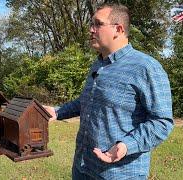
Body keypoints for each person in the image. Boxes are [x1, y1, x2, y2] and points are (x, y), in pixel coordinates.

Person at [44, 3, 173, 179]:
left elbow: (162, 122)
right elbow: (86, 102)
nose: (91, 29)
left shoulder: (146, 67)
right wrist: (57, 112)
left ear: (118, 29)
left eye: (97, 24)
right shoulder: (98, 65)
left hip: (120, 173)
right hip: (83, 168)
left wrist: (127, 145)